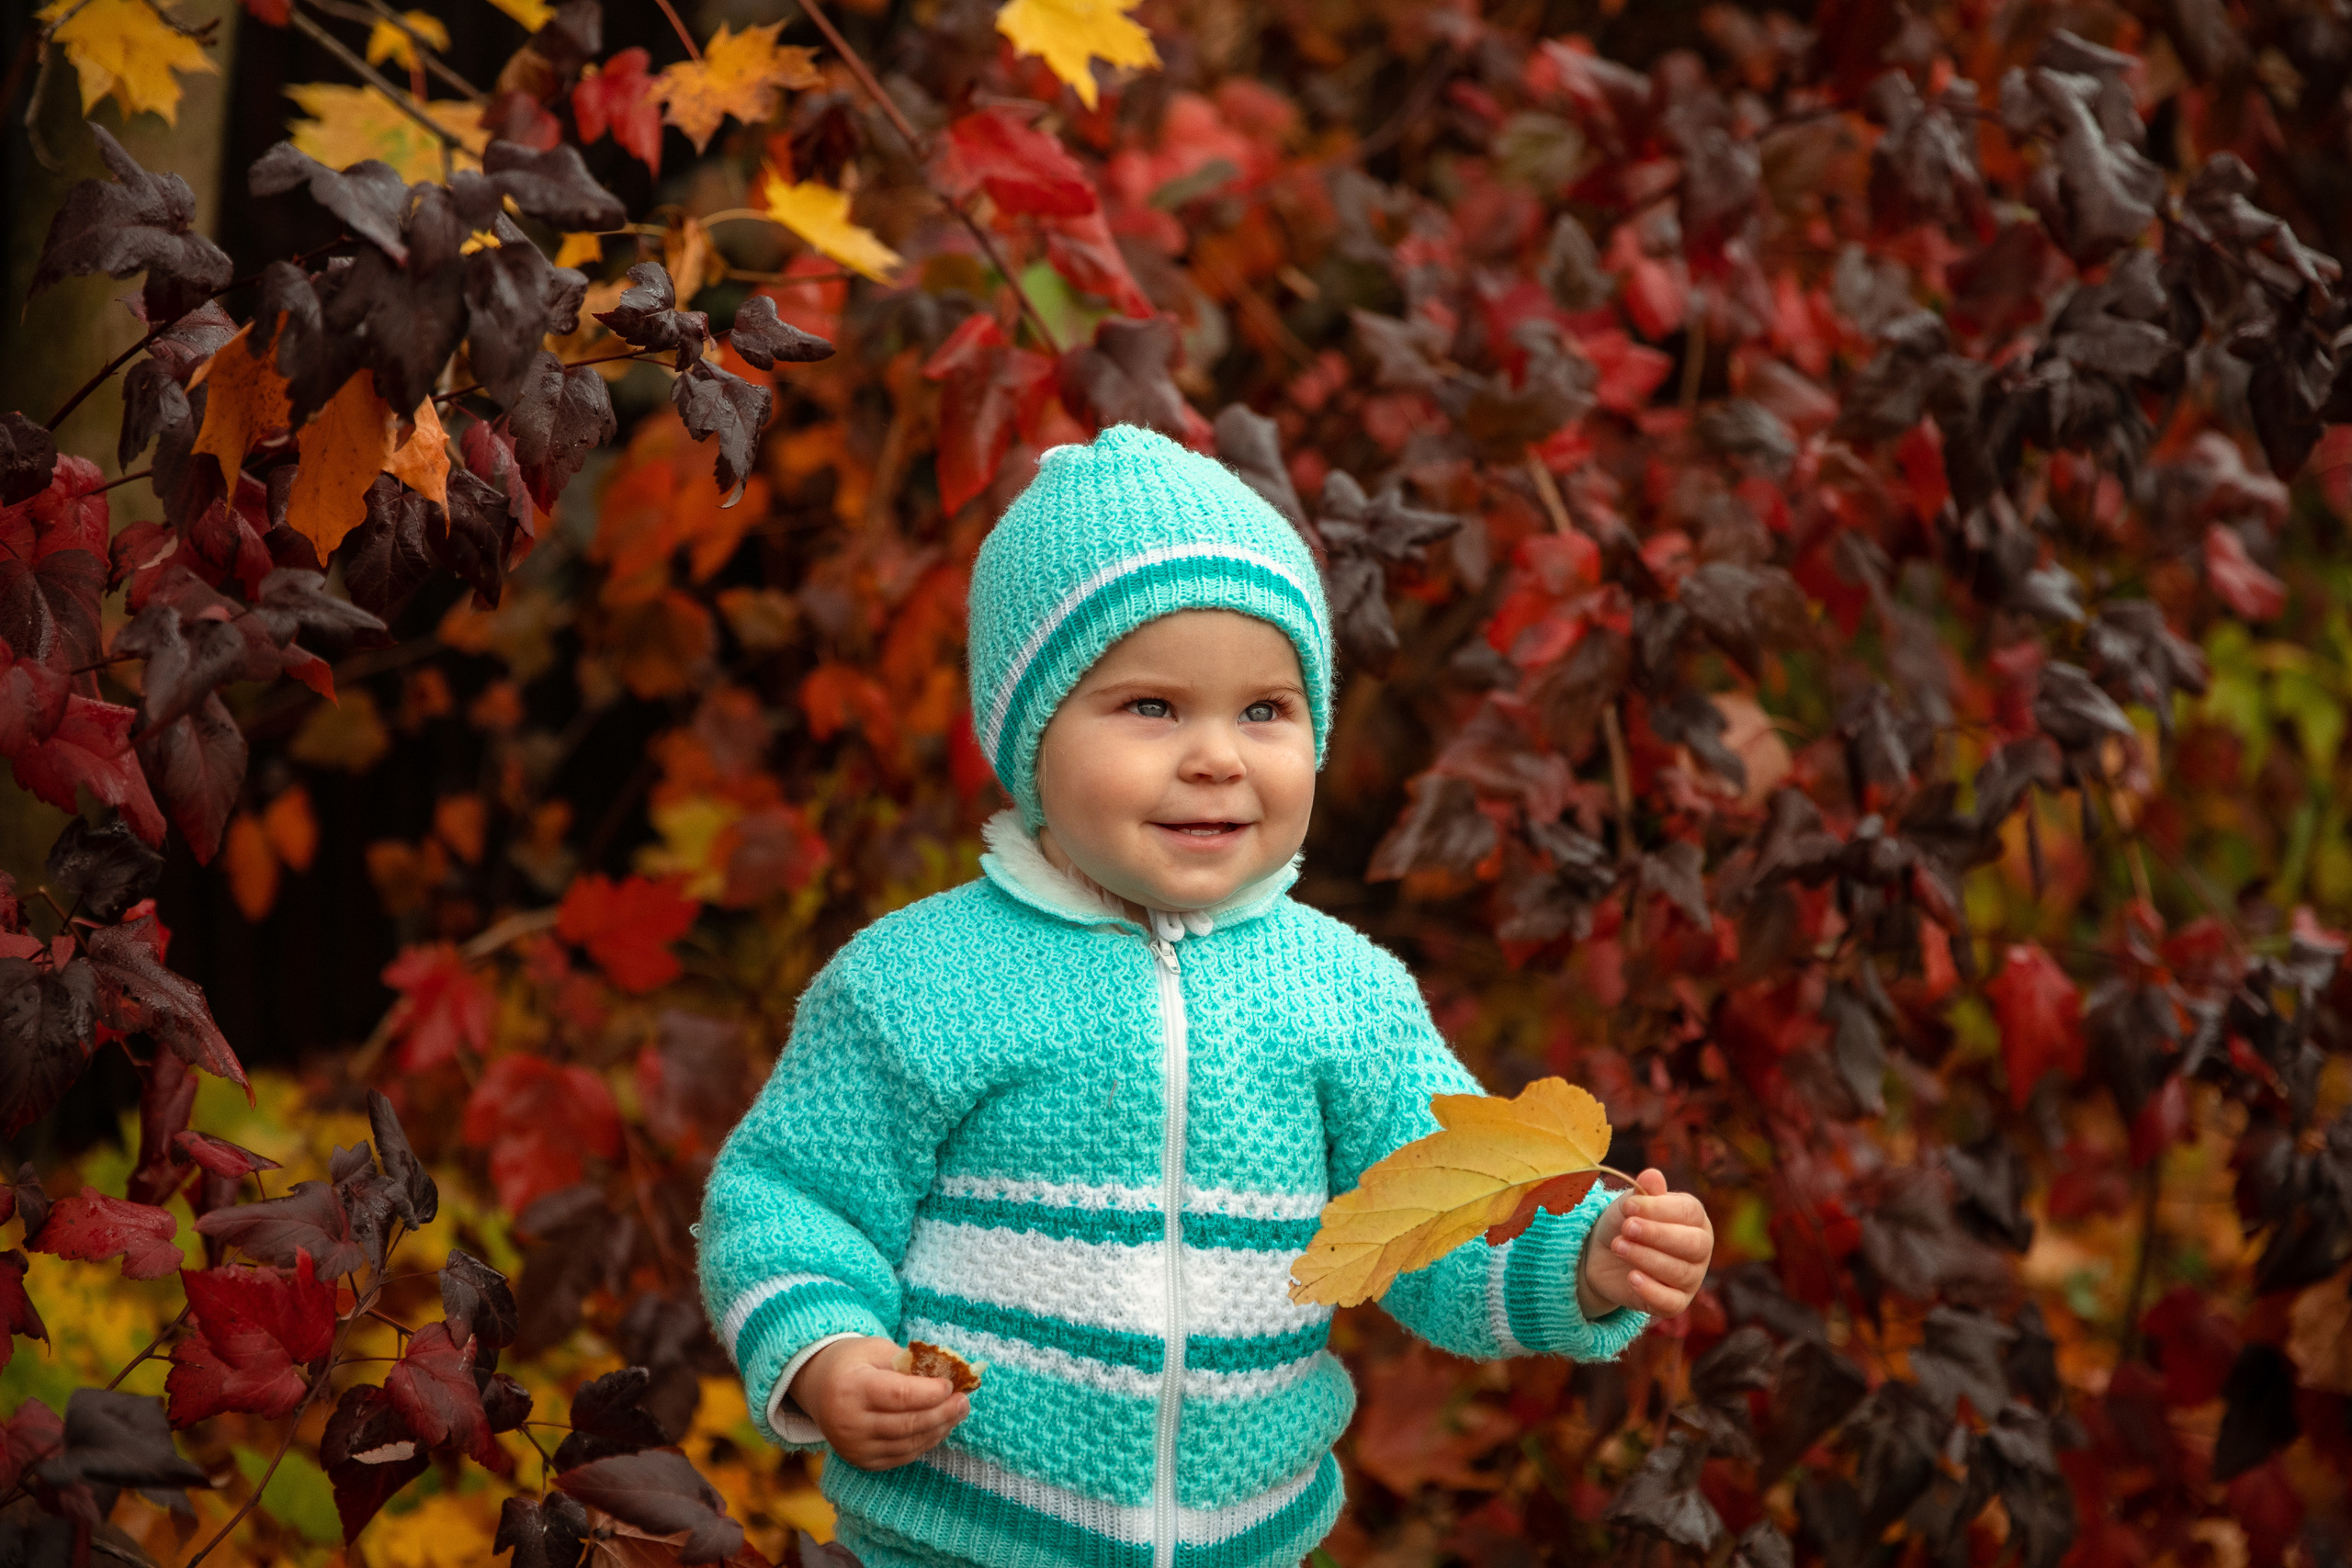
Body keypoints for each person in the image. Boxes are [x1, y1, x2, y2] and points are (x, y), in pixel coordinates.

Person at [695, 425, 1716, 1568]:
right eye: (1152, 708)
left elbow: (1436, 1221)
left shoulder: (1347, 995)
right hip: (962, 1542)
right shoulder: (918, 984)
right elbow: (789, 1200)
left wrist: (1586, 1261)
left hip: (1253, 1544)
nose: (1218, 757)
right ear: (1028, 737)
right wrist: (827, 1354)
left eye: (1265, 711)